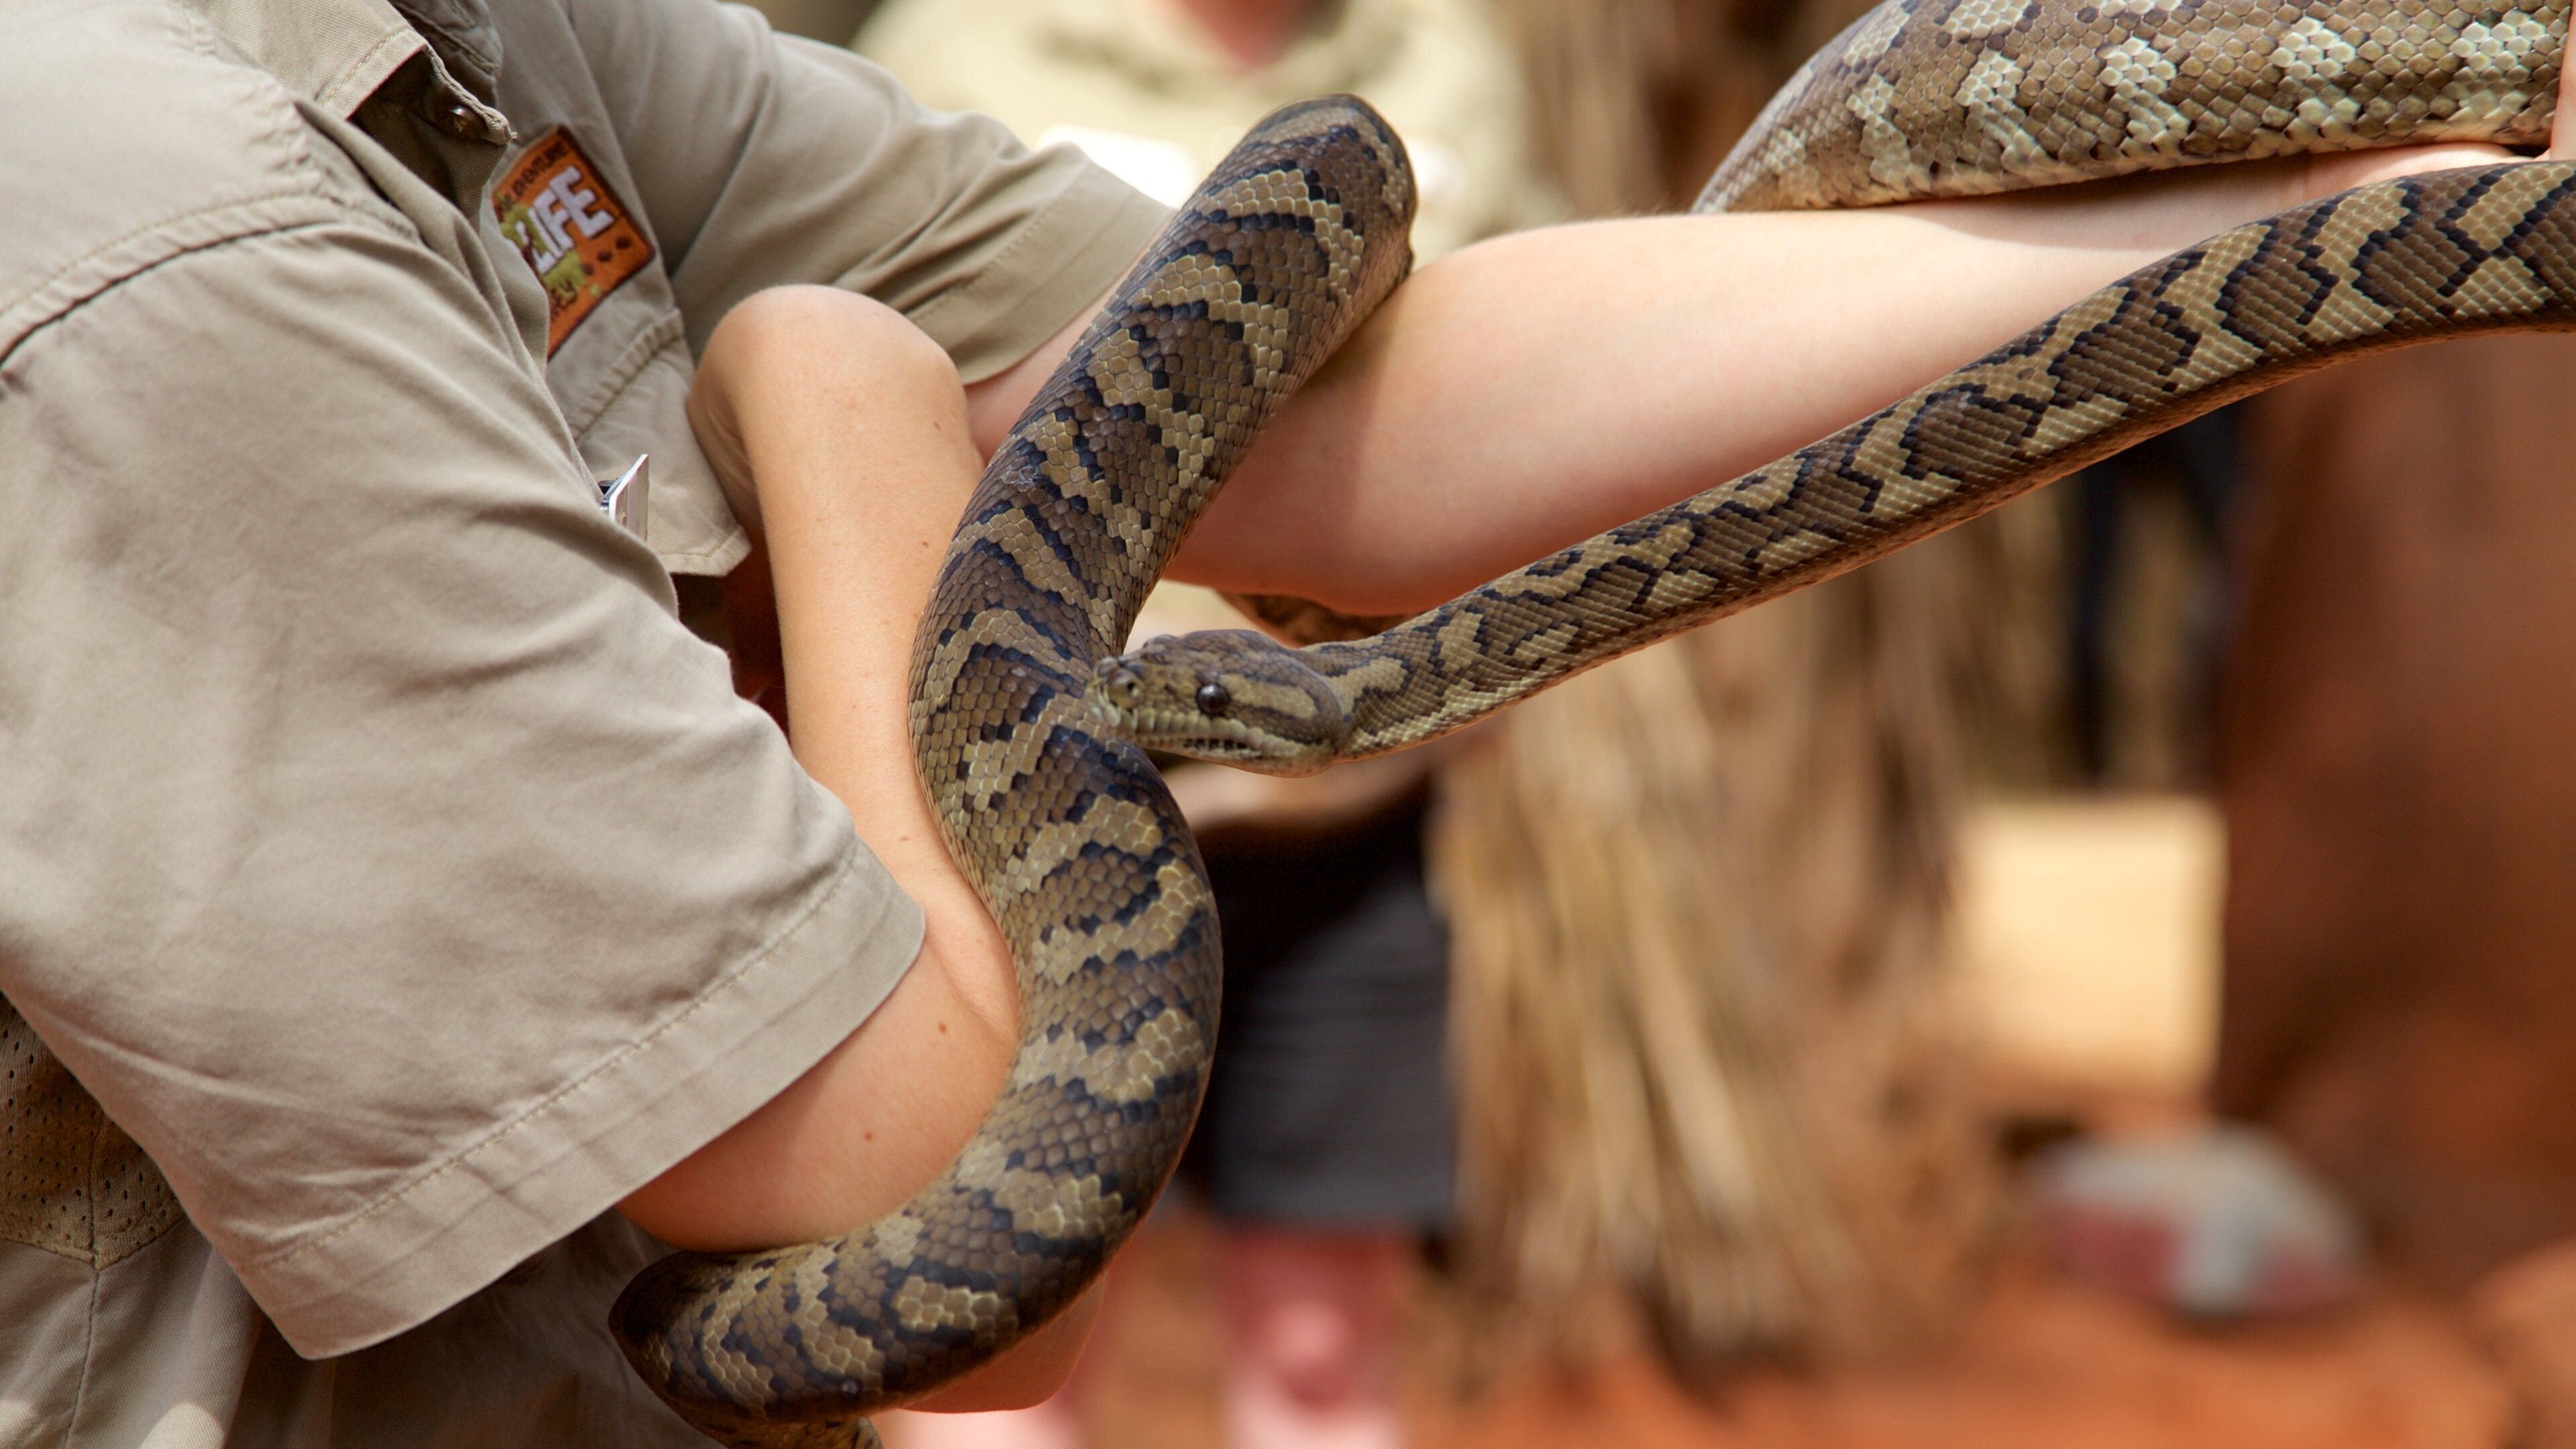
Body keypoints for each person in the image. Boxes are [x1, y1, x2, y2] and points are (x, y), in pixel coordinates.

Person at [0, 0, 2534, 1441]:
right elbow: (957, 1202)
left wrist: (2409, 184)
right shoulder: (144, 226)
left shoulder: (504, 31)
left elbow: (1327, 426)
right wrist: (834, 380)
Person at [853, 0, 1553, 1442]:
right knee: (1009, 1358)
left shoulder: (1438, 58)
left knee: (1319, 1340)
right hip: (1027, 848)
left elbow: (1548, 360)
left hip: (1342, 842)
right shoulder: (961, 44)